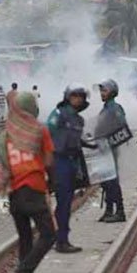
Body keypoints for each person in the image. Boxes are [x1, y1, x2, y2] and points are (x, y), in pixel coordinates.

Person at [0, 91, 54, 273]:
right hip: (33, 189)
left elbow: (2, 167)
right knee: (49, 234)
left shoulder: (5, 134)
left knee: (25, 239)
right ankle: (23, 271)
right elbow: (49, 161)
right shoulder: (39, 129)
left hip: (14, 194)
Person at [48, 84, 94, 253]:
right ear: (68, 97)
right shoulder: (58, 114)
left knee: (66, 203)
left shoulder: (78, 119)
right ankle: (60, 240)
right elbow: (47, 135)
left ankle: (60, 238)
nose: (78, 99)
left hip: (72, 163)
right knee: (63, 203)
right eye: (75, 96)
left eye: (81, 96)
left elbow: (76, 140)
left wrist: (91, 145)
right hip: (59, 162)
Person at [93, 79, 131, 223]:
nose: (102, 93)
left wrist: (109, 141)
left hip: (111, 150)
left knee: (112, 181)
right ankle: (109, 210)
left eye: (104, 90)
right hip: (104, 150)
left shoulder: (115, 108)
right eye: (101, 91)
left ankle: (120, 211)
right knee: (105, 181)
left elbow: (122, 127)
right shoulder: (106, 109)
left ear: (112, 92)